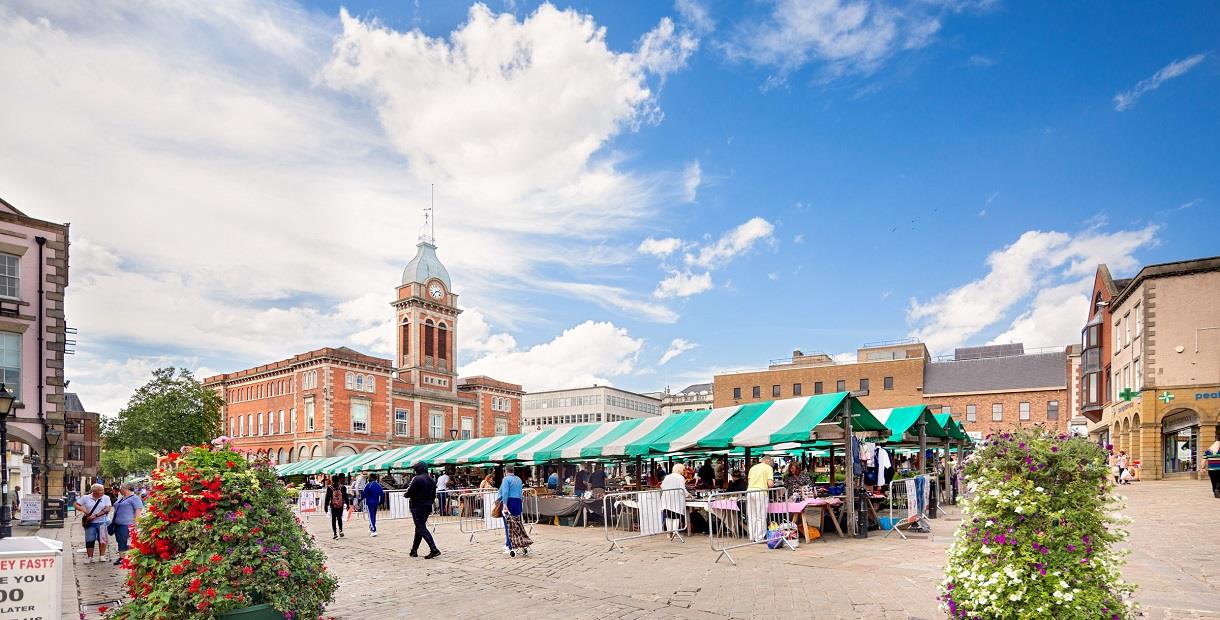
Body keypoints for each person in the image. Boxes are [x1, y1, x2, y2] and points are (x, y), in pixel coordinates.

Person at [405, 462, 440, 559]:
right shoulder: (432, 480)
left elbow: (410, 491)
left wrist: (406, 495)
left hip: (417, 505)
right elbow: (434, 494)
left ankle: (434, 549)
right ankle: (414, 549)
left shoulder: (417, 479)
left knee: (421, 528)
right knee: (419, 528)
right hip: (428, 505)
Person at [74, 484, 112, 563]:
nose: (103, 491)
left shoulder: (106, 498)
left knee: (102, 539)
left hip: (103, 522)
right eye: (100, 490)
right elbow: (76, 504)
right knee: (90, 539)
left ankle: (102, 556)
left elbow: (108, 508)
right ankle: (90, 557)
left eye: (102, 490)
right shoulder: (86, 497)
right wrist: (84, 510)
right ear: (94, 491)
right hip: (90, 523)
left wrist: (95, 516)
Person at [111, 483, 144, 565]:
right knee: (120, 541)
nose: (120, 489)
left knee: (126, 541)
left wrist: (136, 523)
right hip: (118, 524)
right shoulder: (121, 498)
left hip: (127, 524)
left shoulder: (134, 498)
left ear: (125, 488)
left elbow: (138, 510)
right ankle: (122, 557)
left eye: (121, 487)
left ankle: (127, 558)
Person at [746, 456, 775, 542]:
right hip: (761, 491)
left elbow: (749, 481)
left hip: (750, 491)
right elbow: (770, 484)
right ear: (768, 461)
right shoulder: (768, 468)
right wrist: (774, 484)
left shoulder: (753, 467)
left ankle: (752, 536)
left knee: (752, 516)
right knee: (761, 516)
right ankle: (759, 537)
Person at [499, 465, 525, 554]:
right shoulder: (519, 479)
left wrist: (505, 504)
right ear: (513, 471)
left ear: (505, 471)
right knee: (517, 524)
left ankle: (510, 546)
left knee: (508, 525)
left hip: (509, 502)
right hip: (518, 502)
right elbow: (520, 492)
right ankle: (510, 543)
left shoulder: (506, 479)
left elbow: (505, 492)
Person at [660, 464, 689, 536]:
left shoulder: (667, 476)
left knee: (668, 516)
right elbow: (682, 489)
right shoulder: (681, 478)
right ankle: (675, 533)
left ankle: (668, 534)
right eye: (683, 469)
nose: (684, 471)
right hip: (676, 499)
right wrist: (688, 495)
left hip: (666, 498)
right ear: (680, 470)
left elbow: (662, 486)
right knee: (676, 517)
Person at [324, 475, 350, 540]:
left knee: (333, 519)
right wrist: (348, 504)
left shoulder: (330, 488)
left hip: (333, 505)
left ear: (332, 480)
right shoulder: (343, 487)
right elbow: (345, 497)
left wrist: (325, 506)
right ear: (339, 480)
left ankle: (335, 534)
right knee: (339, 518)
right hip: (340, 505)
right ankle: (341, 530)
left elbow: (327, 498)